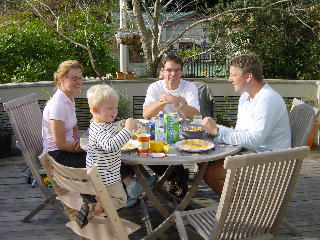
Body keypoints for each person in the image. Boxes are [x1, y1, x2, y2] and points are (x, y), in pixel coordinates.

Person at [201, 53, 291, 195]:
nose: (229, 79)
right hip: (252, 152)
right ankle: (242, 206)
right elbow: (241, 131)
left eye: (233, 75)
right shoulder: (245, 97)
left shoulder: (268, 99)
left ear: (248, 77)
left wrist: (218, 131)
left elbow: (254, 141)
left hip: (270, 160)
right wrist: (213, 130)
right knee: (203, 162)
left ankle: (243, 210)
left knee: (211, 173)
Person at [76, 84, 156, 228]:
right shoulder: (99, 132)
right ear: (95, 110)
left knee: (109, 197)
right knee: (120, 199)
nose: (114, 111)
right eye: (110, 108)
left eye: (116, 107)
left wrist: (121, 125)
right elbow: (112, 145)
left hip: (101, 174)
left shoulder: (99, 124)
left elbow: (111, 129)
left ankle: (96, 205)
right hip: (106, 176)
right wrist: (127, 129)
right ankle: (94, 208)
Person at [143, 54, 201, 198]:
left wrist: (176, 101)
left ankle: (176, 177)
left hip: (184, 134)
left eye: (177, 70)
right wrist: (163, 102)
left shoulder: (189, 87)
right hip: (160, 133)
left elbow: (196, 116)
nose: (173, 74)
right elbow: (146, 114)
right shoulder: (155, 87)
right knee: (145, 151)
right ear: (162, 71)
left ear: (181, 71)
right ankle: (176, 176)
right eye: (169, 70)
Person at [42, 60, 86, 168]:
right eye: (73, 78)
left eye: (80, 78)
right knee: (106, 162)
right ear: (61, 79)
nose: (78, 82)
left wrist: (78, 141)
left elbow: (74, 128)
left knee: (109, 158)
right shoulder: (58, 104)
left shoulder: (69, 99)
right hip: (57, 156)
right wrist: (85, 147)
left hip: (68, 150)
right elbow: (60, 143)